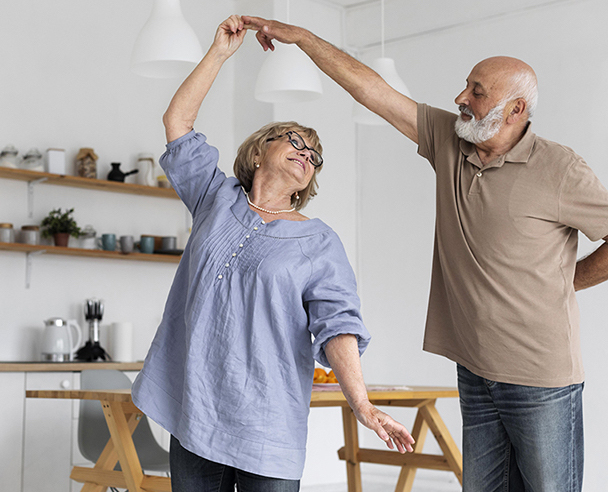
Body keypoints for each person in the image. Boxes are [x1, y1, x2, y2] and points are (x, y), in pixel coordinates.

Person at [241, 15, 608, 492]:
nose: (461, 98)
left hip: (541, 378)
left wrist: (561, 280)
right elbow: (372, 92)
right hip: (474, 371)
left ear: (515, 109)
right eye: (466, 87)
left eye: (477, 91)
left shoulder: (560, 169)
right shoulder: (451, 142)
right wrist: (305, 39)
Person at [131, 15, 414, 492]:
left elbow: (338, 324)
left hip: (268, 426)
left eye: (315, 156)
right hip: (195, 411)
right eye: (296, 142)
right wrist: (219, 53)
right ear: (260, 151)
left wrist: (361, 403)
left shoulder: (319, 242)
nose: (307, 153)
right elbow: (177, 123)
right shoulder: (215, 200)